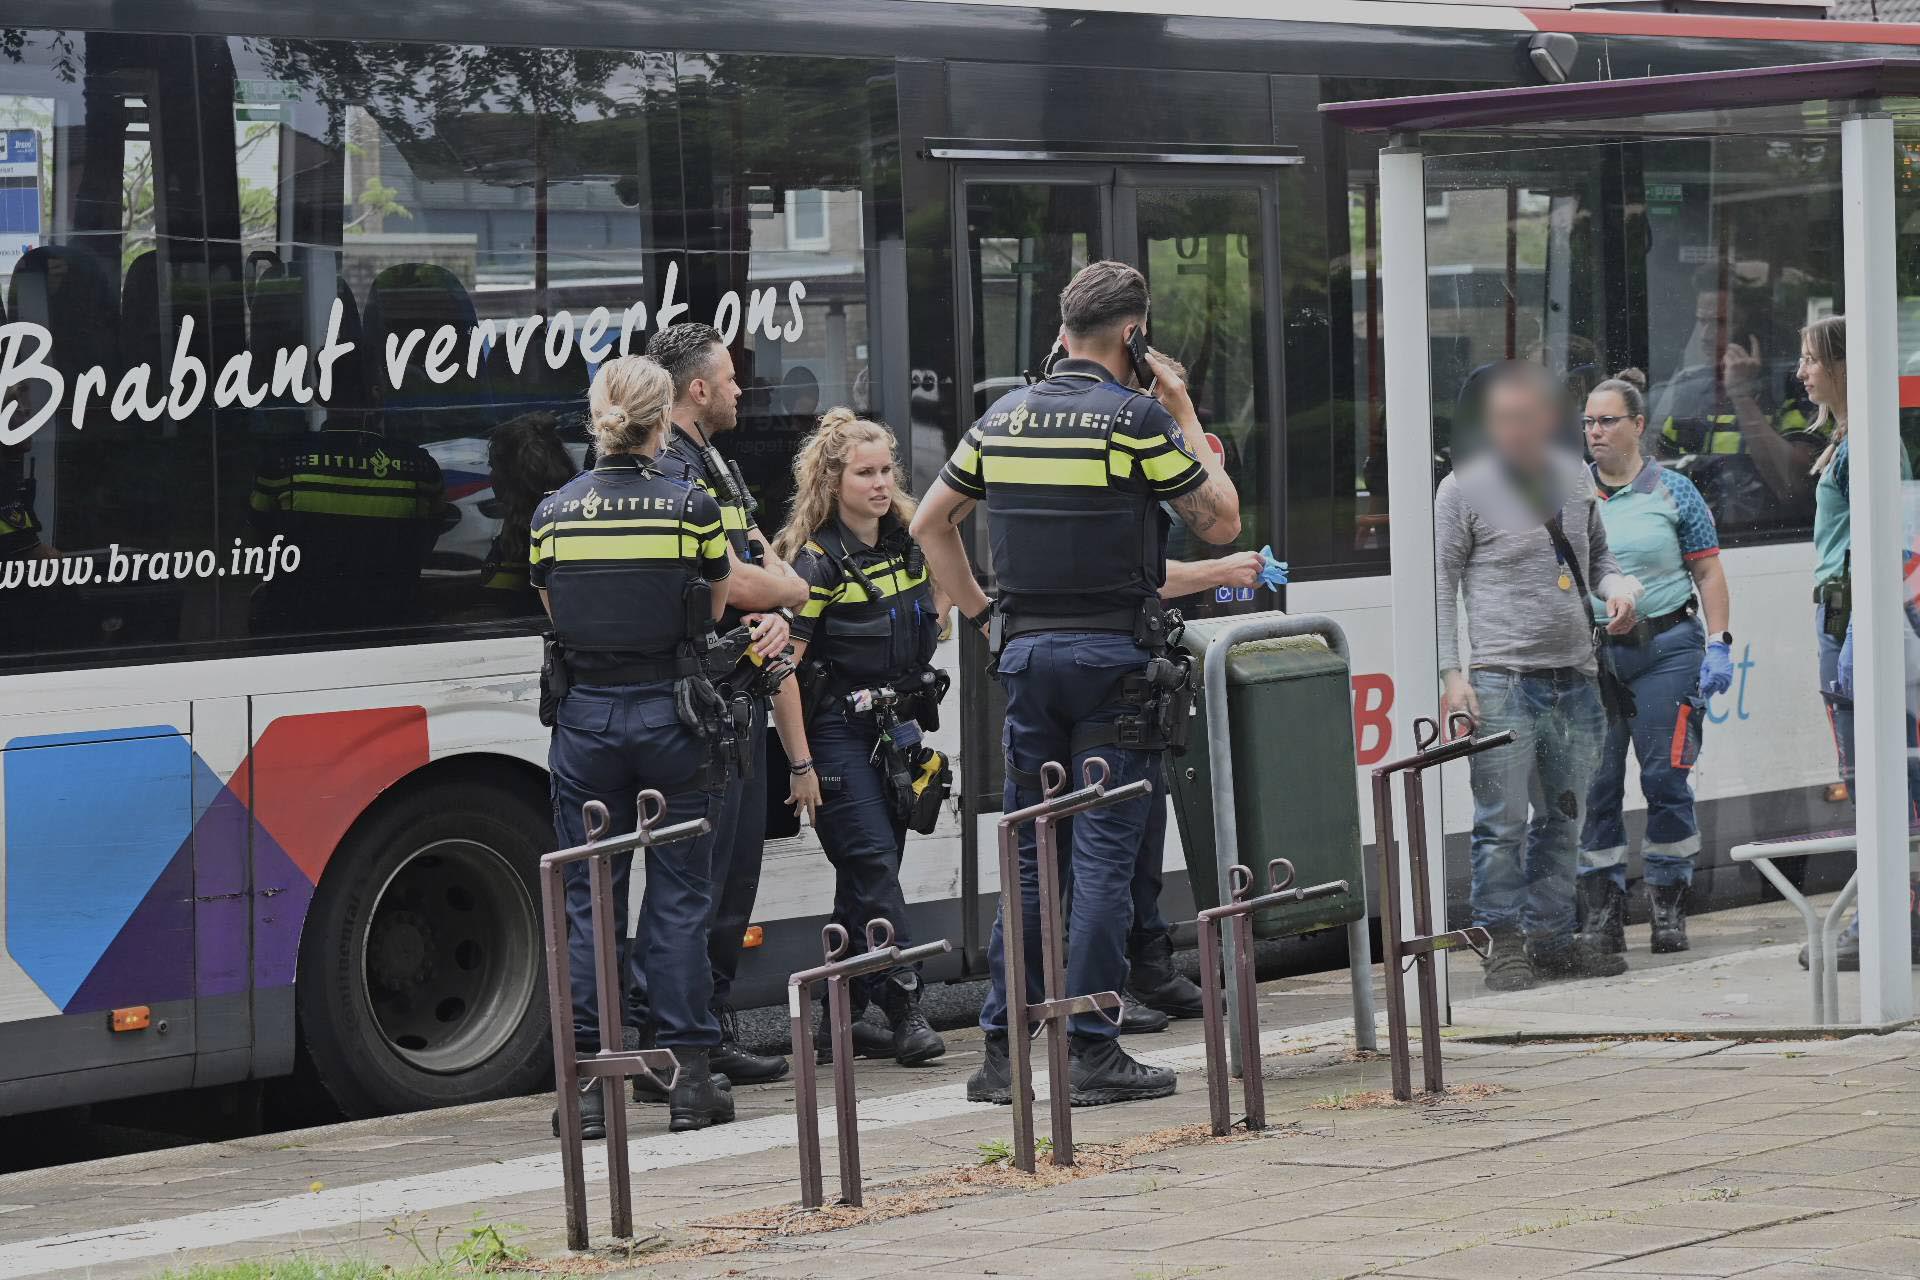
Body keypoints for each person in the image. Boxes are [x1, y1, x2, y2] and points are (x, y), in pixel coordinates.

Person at [913, 259, 1242, 1106]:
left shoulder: (1001, 418)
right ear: (1134, 335)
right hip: (1112, 665)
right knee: (1101, 859)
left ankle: (1001, 1053)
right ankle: (1091, 1045)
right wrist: (1183, 409)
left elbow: (929, 522)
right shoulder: (1137, 421)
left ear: (1061, 332)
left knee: (1029, 854)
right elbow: (1220, 521)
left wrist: (984, 617)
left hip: (1027, 661)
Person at [534, 354, 735, 1139]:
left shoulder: (552, 513)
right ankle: (689, 1080)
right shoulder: (691, 506)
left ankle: (587, 1087)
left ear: (598, 418)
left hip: (585, 719)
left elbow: (554, 609)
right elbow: (712, 608)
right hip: (672, 716)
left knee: (589, 901)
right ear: (660, 419)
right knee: (680, 897)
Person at [1436, 359, 1638, 992]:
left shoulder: (1574, 478)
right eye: (1505, 418)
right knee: (1501, 823)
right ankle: (1502, 941)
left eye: (1528, 417)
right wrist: (1450, 674)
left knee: (1564, 817)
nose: (1517, 429)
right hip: (1502, 680)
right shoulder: (1460, 491)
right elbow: (1439, 585)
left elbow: (1598, 558)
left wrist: (1617, 590)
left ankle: (1551, 938)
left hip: (1575, 676)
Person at [646, 322, 808, 1086]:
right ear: (699, 388)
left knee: (733, 878)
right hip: (704, 702)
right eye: (732, 377)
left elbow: (752, 554)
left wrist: (775, 598)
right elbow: (733, 580)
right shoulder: (671, 467)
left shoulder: (714, 462)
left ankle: (707, 1030)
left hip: (737, 697)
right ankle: (676, 1042)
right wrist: (788, 591)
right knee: (699, 883)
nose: (744, 389)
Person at [770, 408, 948, 1066]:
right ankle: (905, 1008)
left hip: (895, 732)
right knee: (873, 865)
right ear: (832, 481)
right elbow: (780, 669)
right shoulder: (816, 564)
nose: (880, 484)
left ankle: (835, 1019)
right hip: (837, 738)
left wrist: (938, 616)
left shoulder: (910, 542)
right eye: (864, 473)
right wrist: (801, 765)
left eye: (886, 471)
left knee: (869, 876)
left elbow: (944, 592)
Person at [1576, 373, 1732, 956]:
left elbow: (1708, 571)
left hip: (1667, 649)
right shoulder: (1570, 493)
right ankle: (1603, 912)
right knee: (1596, 786)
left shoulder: (1675, 491)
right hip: (1590, 659)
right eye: (1588, 422)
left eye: (1607, 420)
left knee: (1666, 778)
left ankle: (1668, 904)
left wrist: (1720, 642)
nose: (1595, 431)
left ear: (1637, 425)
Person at [1797, 315, 1920, 972]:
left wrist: (1855, 636)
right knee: (1870, 769)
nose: (1801, 372)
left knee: (1873, 769)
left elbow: (1887, 538)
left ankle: (1887, 914)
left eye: (1811, 359)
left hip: (1852, 617)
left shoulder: (1867, 443)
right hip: (1842, 616)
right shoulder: (1847, 440)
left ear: (1843, 366)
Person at [1115, 549, 1268, 1035]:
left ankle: (1150, 969)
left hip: (1136, 677)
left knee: (1144, 843)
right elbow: (1133, 573)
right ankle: (1104, 984)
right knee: (1106, 856)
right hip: (1099, 680)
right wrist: (1221, 571)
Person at [247, 413, 445, 635]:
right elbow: (431, 531)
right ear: (376, 398)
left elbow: (260, 533)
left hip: (300, 624)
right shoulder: (417, 465)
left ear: (320, 397)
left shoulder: (283, 460)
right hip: (390, 624)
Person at [478, 412, 576, 616]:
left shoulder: (524, 540)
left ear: (510, 478)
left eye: (493, 467)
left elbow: (505, 605)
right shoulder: (570, 517)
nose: (491, 476)